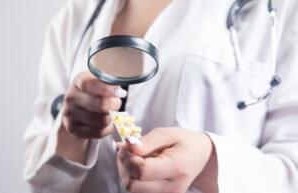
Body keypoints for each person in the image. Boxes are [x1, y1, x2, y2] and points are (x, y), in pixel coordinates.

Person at [23, 0, 298, 192]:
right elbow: (41, 185)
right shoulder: (76, 16)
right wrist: (70, 135)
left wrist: (209, 162)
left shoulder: (280, 9)